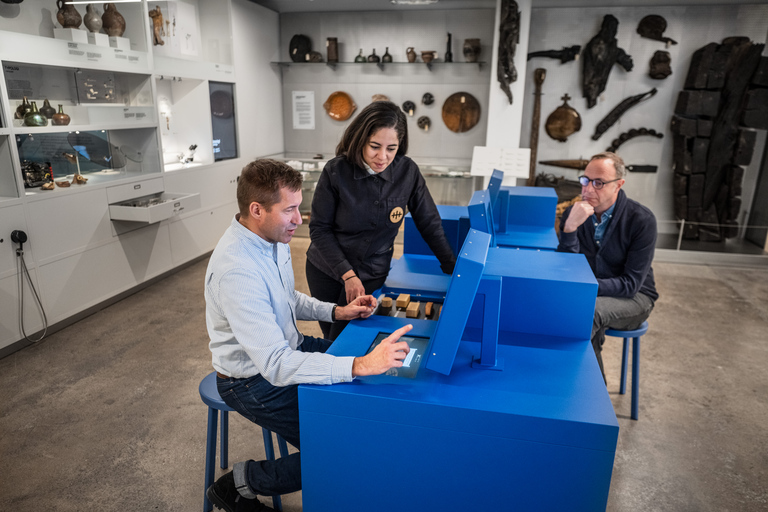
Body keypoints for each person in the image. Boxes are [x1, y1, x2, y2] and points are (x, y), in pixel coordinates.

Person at [205, 159, 414, 511]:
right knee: (342, 440)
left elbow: (288, 299)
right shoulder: (237, 271)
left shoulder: (271, 237)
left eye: (298, 208)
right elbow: (275, 365)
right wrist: (358, 365)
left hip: (291, 349)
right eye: (289, 210)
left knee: (368, 389)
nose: (299, 220)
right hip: (251, 381)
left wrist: (336, 311)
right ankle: (240, 483)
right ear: (257, 210)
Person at [306, 100, 456, 340]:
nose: (383, 157)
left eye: (391, 148)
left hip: (371, 272)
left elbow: (428, 222)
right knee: (334, 341)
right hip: (327, 271)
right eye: (375, 146)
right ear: (360, 140)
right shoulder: (336, 171)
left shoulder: (408, 172)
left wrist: (451, 266)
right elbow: (320, 230)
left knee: (355, 337)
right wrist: (347, 275)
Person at [557, 152, 658, 382]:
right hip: (594, 293)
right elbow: (567, 271)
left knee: (586, 312)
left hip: (637, 297)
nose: (588, 189)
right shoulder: (574, 214)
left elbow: (631, 284)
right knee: (565, 306)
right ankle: (580, 388)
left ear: (618, 185)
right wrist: (570, 229)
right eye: (585, 180)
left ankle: (586, 393)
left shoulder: (641, 220)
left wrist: (586, 288)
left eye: (599, 183)